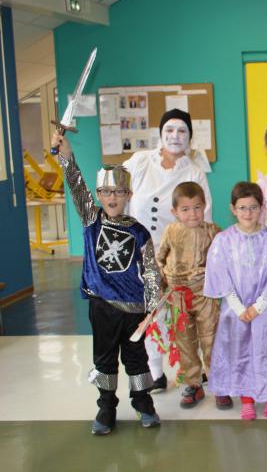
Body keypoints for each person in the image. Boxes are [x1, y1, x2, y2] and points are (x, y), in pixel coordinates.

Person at [51, 131, 160, 435]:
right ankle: (106, 407)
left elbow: (151, 271)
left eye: (119, 192)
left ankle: (143, 403)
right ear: (99, 195)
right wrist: (66, 155)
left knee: (137, 360)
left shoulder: (139, 232)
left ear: (129, 195)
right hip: (102, 307)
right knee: (104, 360)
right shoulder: (92, 220)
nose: (113, 198)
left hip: (134, 309)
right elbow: (76, 185)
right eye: (107, 192)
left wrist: (152, 307)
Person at [124, 108, 212, 391]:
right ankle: (155, 371)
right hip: (140, 252)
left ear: (190, 137)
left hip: (180, 258)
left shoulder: (194, 171)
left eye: (182, 131)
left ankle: (192, 368)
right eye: (170, 130)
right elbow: (115, 189)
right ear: (160, 134)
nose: (175, 136)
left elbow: (205, 216)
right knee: (151, 312)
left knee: (184, 314)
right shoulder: (140, 162)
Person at [204, 182, 267, 420]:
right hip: (236, 311)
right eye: (242, 208)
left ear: (262, 208)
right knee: (239, 352)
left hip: (265, 308)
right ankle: (247, 398)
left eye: (253, 207)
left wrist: (259, 306)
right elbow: (220, 275)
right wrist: (239, 307)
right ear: (233, 209)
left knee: (266, 350)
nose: (248, 213)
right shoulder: (223, 240)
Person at [155, 182, 222, 409]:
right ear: (174, 211)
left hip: (205, 296)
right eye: (185, 209)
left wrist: (209, 273)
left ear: (204, 206)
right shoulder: (170, 231)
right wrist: (161, 282)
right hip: (178, 299)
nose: (192, 214)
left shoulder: (213, 231)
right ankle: (193, 384)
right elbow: (160, 259)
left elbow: (224, 261)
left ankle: (218, 382)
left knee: (211, 339)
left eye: (197, 207)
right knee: (185, 342)